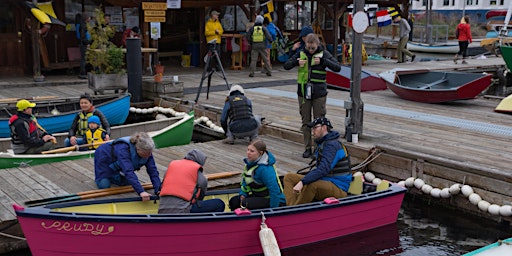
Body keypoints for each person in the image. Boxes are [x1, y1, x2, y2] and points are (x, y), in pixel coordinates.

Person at [283, 33, 341, 158]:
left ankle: (318, 149)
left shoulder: (324, 54)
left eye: (312, 48)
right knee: (305, 121)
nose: (310, 50)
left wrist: (324, 61)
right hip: (304, 92)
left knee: (319, 121)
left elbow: (337, 67)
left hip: (319, 92)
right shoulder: (301, 53)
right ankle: (307, 147)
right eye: (308, 48)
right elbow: (286, 65)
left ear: (317, 45)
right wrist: (296, 62)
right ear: (305, 45)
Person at [283, 117, 352, 206]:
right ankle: (291, 206)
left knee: (311, 185)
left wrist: (302, 182)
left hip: (338, 186)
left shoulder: (332, 146)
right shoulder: (323, 143)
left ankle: (294, 211)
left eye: (315, 128)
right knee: (289, 177)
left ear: (324, 128)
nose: (312, 131)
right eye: (312, 128)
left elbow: (323, 169)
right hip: (325, 180)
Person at [94, 132, 161, 201]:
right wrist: (141, 192)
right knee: (104, 185)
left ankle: (116, 176)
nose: (149, 155)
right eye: (147, 153)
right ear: (138, 149)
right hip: (104, 157)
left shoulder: (147, 151)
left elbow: (153, 171)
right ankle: (109, 177)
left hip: (118, 161)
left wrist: (158, 189)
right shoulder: (123, 149)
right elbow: (128, 171)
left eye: (150, 152)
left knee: (126, 183)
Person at [158, 149, 225, 214]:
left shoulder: (170, 168)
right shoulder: (200, 176)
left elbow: (162, 187)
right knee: (219, 203)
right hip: (182, 211)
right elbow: (200, 198)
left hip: (161, 210)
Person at [229, 139, 286, 210]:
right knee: (234, 201)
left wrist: (273, 210)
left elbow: (274, 191)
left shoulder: (265, 169)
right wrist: (243, 194)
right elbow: (245, 182)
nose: (248, 153)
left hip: (274, 200)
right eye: (248, 150)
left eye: (252, 151)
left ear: (261, 153)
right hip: (257, 196)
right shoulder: (250, 164)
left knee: (245, 204)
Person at [75, 13, 91, 79]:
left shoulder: (80, 24)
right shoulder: (83, 25)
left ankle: (84, 72)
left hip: (82, 43)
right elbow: (83, 36)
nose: (90, 19)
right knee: (83, 58)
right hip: (84, 44)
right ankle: (82, 73)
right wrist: (87, 43)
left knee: (84, 58)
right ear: (86, 18)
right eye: (89, 17)